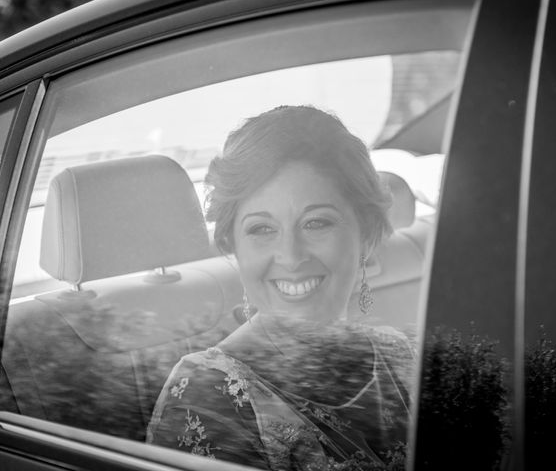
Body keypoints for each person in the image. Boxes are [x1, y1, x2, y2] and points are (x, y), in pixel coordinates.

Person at [146, 105, 416, 470]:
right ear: (233, 246)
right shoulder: (207, 396)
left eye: (316, 223)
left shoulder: (402, 355)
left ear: (366, 236)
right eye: (262, 229)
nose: (290, 256)